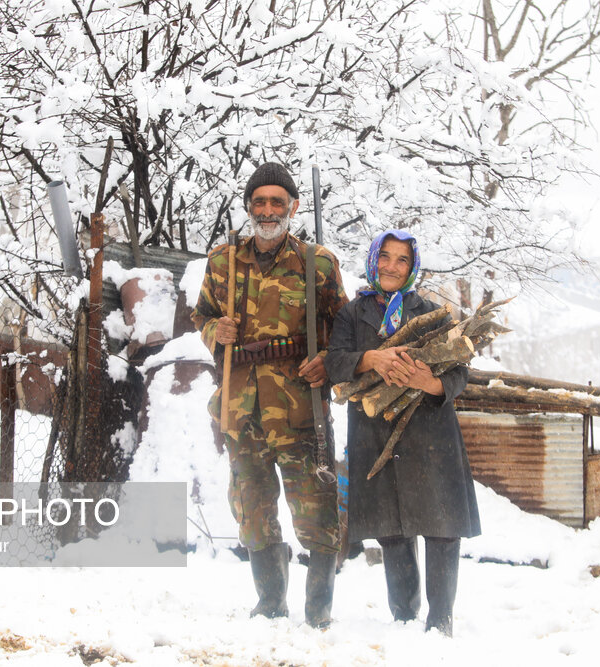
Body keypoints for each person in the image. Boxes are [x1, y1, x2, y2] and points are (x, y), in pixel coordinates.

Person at [191, 162, 348, 628]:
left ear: (293, 207)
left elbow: (342, 329)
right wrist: (212, 330)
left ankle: (318, 611)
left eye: (277, 201)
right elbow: (200, 315)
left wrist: (329, 363)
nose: (267, 210)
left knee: (316, 508)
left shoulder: (317, 263)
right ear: (247, 207)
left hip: (300, 408)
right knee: (251, 506)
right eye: (259, 201)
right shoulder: (223, 261)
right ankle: (270, 604)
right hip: (241, 409)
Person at [324, 229, 480, 637]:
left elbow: (461, 371)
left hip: (431, 433)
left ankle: (440, 621)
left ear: (413, 268)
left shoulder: (432, 312)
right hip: (375, 430)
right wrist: (370, 358)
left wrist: (433, 385)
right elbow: (335, 362)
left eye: (402, 260)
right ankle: (404, 619)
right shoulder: (351, 314)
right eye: (386, 257)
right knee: (391, 528)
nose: (392, 266)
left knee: (442, 526)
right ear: (373, 259)